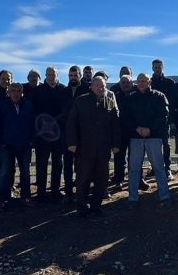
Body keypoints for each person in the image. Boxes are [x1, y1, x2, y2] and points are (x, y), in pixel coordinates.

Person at [66, 76, 121, 216]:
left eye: (103, 86)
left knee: (101, 179)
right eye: (97, 85)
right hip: (84, 148)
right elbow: (71, 123)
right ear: (91, 87)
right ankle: (81, 208)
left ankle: (96, 206)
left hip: (103, 148)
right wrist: (72, 143)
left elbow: (115, 125)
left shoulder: (110, 102)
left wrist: (115, 144)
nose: (100, 88)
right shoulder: (81, 101)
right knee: (83, 179)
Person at [123, 74, 172, 206]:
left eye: (144, 81)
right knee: (134, 168)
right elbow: (126, 117)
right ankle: (132, 197)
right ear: (136, 83)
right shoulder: (131, 98)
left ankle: (164, 195)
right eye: (139, 81)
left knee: (159, 167)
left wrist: (150, 129)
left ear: (149, 82)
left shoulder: (159, 96)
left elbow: (164, 116)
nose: (141, 83)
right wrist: (137, 128)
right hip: (136, 137)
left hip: (154, 137)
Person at [0, 82, 37, 209]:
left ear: (22, 93)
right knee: (5, 172)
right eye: (13, 91)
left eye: (18, 91)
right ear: (8, 93)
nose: (16, 93)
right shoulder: (1, 106)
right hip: (7, 145)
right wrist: (0, 142)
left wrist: (31, 140)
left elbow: (34, 123)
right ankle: (2, 199)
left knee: (26, 172)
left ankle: (26, 197)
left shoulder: (28, 105)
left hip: (25, 145)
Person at [33, 67, 67, 201]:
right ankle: (41, 192)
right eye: (49, 74)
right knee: (41, 164)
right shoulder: (38, 91)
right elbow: (34, 111)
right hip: (42, 135)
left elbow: (65, 110)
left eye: (54, 74)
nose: (52, 77)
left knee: (58, 164)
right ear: (45, 76)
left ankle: (55, 190)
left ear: (57, 75)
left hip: (58, 134)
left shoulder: (63, 90)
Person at [57, 67, 89, 199]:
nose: (73, 77)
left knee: (81, 165)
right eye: (71, 75)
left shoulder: (87, 90)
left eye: (76, 75)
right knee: (67, 164)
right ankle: (68, 192)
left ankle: (81, 191)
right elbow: (59, 110)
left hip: (82, 134)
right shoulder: (63, 91)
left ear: (80, 76)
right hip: (66, 133)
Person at [111, 74, 137, 192]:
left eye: (128, 82)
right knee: (119, 158)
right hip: (120, 132)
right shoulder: (115, 97)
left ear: (132, 83)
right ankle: (118, 181)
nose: (126, 84)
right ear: (120, 84)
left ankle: (137, 179)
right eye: (123, 82)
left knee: (135, 158)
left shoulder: (137, 96)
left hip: (135, 132)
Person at [150, 59, 175, 172]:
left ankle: (167, 168)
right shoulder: (148, 82)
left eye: (159, 67)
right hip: (151, 119)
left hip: (165, 118)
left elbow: (173, 102)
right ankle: (154, 168)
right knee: (153, 145)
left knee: (166, 144)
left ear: (162, 67)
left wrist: (172, 119)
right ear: (152, 68)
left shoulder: (169, 82)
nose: (157, 69)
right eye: (155, 67)